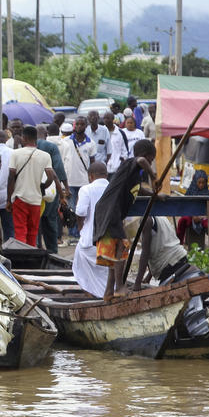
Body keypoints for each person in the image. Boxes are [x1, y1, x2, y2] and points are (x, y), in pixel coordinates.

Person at [93, 138, 158, 299]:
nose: (150, 162)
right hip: (110, 211)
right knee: (122, 247)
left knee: (115, 252)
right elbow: (141, 160)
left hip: (110, 212)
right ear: (146, 155)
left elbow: (139, 189)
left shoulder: (133, 175)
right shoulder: (131, 163)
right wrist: (153, 175)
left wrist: (156, 195)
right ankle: (119, 287)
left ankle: (109, 291)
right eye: (151, 159)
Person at [8, 125, 64, 247]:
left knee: (20, 231)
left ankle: (22, 257)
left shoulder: (16, 154)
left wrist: (8, 199)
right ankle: (31, 259)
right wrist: (42, 187)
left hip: (20, 198)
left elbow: (11, 177)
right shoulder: (45, 155)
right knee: (33, 232)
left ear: (24, 138)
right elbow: (51, 177)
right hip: (36, 200)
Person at [73, 161, 110, 297]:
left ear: (90, 176)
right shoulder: (113, 188)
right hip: (110, 241)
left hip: (90, 241)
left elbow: (81, 212)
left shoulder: (86, 189)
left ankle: (90, 293)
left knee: (79, 258)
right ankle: (105, 293)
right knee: (106, 270)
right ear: (106, 175)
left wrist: (80, 227)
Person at [61, 115, 97, 240]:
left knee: (82, 207)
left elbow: (92, 162)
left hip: (84, 181)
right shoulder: (66, 141)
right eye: (77, 124)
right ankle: (72, 233)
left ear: (86, 126)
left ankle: (81, 232)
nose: (79, 126)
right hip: (69, 180)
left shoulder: (91, 143)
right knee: (71, 208)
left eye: (82, 124)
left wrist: (92, 178)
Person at [36, 124, 68, 253]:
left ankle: (36, 248)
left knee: (34, 223)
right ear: (46, 134)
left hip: (31, 191)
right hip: (49, 191)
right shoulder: (51, 147)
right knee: (50, 221)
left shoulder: (25, 147)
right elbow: (58, 170)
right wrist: (65, 188)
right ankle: (52, 251)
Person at [176, 169, 209, 246]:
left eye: (203, 183)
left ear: (206, 182)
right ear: (195, 181)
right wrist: (192, 215)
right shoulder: (190, 192)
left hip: (204, 217)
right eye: (199, 182)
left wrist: (202, 217)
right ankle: (179, 243)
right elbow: (185, 206)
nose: (201, 185)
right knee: (182, 221)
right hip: (191, 216)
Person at [0, 130, 14, 242]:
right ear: (6, 140)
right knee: (9, 230)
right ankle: (11, 256)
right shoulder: (13, 153)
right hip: (8, 198)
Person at [103, 110, 129, 175]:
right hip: (103, 168)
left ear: (113, 119)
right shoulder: (101, 132)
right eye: (104, 118)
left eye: (108, 118)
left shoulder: (120, 133)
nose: (106, 120)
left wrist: (122, 162)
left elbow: (125, 150)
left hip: (117, 168)